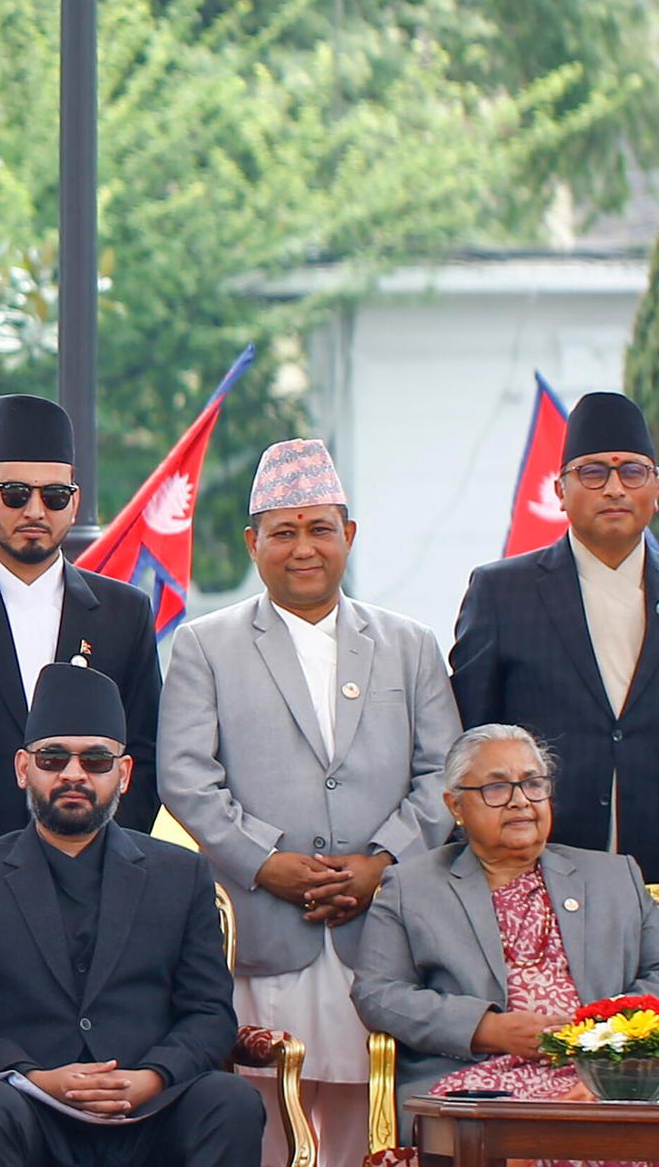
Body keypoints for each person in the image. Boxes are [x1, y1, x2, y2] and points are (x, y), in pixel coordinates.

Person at [158, 437, 459, 1167]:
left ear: (348, 535)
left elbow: (445, 774)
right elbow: (186, 777)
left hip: (381, 922)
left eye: (320, 529)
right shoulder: (206, 645)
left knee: (370, 1118)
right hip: (264, 921)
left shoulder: (410, 644)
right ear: (252, 542)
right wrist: (267, 863)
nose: (303, 548)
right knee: (260, 1114)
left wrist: (380, 863)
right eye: (283, 532)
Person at [0, 663, 262, 1167]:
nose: (73, 775)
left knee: (230, 1101)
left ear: (124, 774)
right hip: (28, 1104)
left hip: (150, 1110)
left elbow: (209, 1013)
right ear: (23, 769)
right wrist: (37, 1077)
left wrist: (151, 1078)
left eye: (97, 760)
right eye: (53, 758)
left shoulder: (180, 873)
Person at [353, 723, 659, 1151]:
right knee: (544, 1139)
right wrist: (486, 1029)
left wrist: (606, 1053)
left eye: (533, 784)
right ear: (455, 805)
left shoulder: (614, 876)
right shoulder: (412, 887)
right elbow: (377, 993)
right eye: (496, 788)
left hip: (610, 1079)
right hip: (476, 1083)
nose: (520, 801)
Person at [0, 393, 160, 846]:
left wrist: (97, 858)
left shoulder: (124, 612)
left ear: (75, 504)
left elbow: (145, 754)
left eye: (55, 496)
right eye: (16, 494)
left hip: (98, 868)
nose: (35, 511)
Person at [452, 390, 659, 880]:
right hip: (538, 868)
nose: (615, 488)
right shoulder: (502, 592)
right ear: (560, 491)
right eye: (593, 472)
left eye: (632, 472)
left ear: (655, 487)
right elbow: (467, 738)